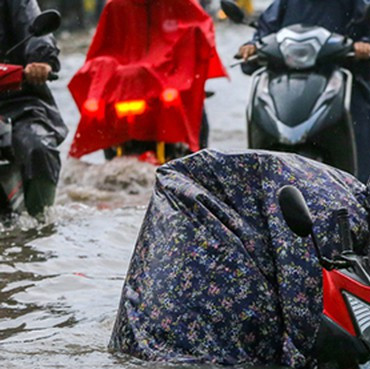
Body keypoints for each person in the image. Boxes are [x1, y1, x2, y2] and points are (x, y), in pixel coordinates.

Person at [109, 147, 370, 369]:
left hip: (199, 207)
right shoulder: (334, 219)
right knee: (235, 350)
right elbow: (304, 311)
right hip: (198, 211)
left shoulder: (357, 208)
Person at [237, 0, 370, 182]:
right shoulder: (286, 3)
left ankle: (362, 186)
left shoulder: (353, 3)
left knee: (360, 132)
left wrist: (365, 44)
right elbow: (264, 31)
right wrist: (252, 46)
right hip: (288, 80)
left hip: (337, 76)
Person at [68, 0, 227, 160]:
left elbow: (101, 48)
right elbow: (204, 33)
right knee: (195, 115)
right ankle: (199, 161)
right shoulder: (120, 6)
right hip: (153, 80)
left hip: (139, 82)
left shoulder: (115, 5)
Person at [0, 0, 67, 217]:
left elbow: (35, 29)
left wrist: (41, 61)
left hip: (17, 99)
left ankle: (40, 221)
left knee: (40, 147)